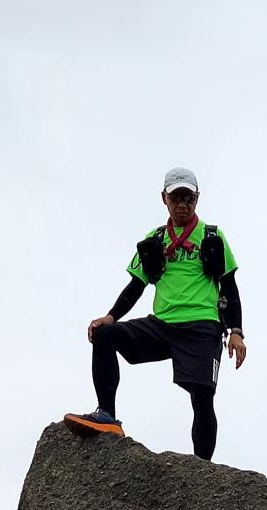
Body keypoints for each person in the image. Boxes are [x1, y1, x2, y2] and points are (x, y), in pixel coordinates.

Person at [65, 167, 246, 460]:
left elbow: (230, 286)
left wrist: (236, 332)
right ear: (164, 199)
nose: (183, 205)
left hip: (202, 326)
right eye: (176, 198)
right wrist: (111, 317)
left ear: (197, 199)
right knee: (105, 335)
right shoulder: (156, 239)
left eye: (188, 198)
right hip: (161, 325)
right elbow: (136, 285)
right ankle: (107, 416)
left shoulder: (212, 236)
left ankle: (203, 468)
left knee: (202, 397)